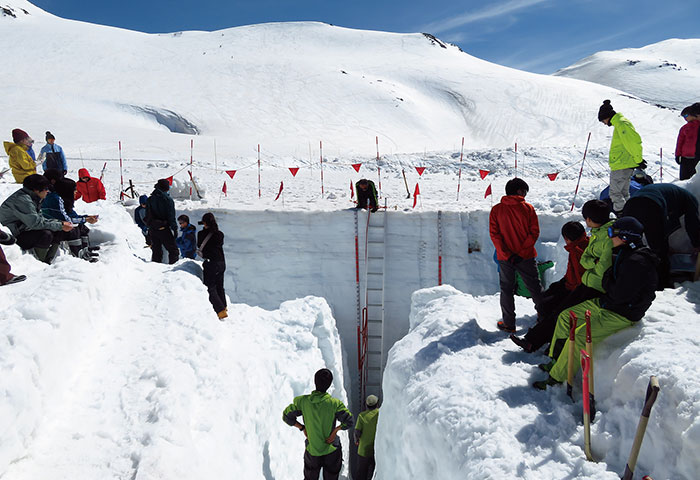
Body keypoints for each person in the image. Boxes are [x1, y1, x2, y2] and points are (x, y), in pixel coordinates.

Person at [534, 217, 658, 390]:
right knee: (564, 317)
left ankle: (557, 377)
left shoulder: (636, 262)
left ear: (625, 237)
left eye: (611, 233)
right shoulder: (624, 251)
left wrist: (606, 278)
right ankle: (556, 360)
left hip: (622, 313)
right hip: (609, 302)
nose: (609, 236)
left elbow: (619, 293)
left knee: (579, 337)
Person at [510, 221, 592, 353]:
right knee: (545, 300)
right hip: (569, 284)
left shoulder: (578, 251)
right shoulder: (581, 245)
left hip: (578, 291)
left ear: (567, 238)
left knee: (556, 312)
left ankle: (532, 342)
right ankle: (544, 328)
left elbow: (580, 280)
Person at [489, 178, 544, 333]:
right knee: (534, 287)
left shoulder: (496, 210)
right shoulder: (528, 208)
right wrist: (521, 253)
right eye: (525, 191)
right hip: (525, 256)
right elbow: (534, 233)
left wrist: (506, 254)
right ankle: (544, 316)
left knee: (506, 289)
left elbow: (495, 235)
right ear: (520, 191)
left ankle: (509, 324)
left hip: (505, 258)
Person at [622, 183, 700, 289]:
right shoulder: (691, 200)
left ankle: (625, 276)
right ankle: (661, 284)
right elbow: (692, 223)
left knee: (628, 243)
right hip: (651, 205)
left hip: (631, 204)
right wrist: (697, 243)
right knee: (659, 251)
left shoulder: (673, 194)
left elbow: (665, 224)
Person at [283, 368, 354, 480]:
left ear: (315, 381)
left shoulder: (302, 401)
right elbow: (349, 421)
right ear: (329, 384)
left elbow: (287, 416)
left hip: (313, 450)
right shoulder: (335, 404)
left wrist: (302, 428)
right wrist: (335, 431)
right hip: (331, 450)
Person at [0, 174, 73, 264]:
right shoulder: (22, 200)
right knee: (46, 234)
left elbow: (40, 219)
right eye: (46, 189)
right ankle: (40, 262)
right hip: (13, 236)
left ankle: (50, 259)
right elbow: (35, 223)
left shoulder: (32, 197)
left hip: (24, 228)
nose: (47, 192)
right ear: (36, 190)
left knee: (59, 230)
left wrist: (60, 223)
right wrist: (60, 225)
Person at [598, 99, 644, 214]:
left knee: (615, 193)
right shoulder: (620, 123)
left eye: (603, 120)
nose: (604, 123)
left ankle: (620, 215)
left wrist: (639, 159)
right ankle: (629, 213)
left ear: (606, 116)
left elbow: (632, 142)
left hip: (621, 164)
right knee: (624, 193)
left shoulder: (621, 124)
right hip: (625, 164)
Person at [42, 178, 100, 262]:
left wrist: (86, 217)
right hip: (52, 227)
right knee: (73, 229)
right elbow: (67, 220)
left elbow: (72, 216)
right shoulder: (56, 199)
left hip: (58, 225)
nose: (75, 192)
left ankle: (84, 250)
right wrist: (85, 219)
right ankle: (78, 254)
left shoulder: (63, 199)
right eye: (74, 190)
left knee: (82, 226)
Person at [197, 213, 227, 319]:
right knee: (220, 286)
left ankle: (220, 311)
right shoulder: (219, 234)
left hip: (211, 263)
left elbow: (199, 245)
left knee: (211, 287)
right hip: (222, 262)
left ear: (204, 222)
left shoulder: (201, 234)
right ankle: (224, 307)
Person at [146, 179, 178, 264]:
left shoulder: (150, 199)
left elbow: (147, 215)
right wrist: (174, 229)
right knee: (174, 251)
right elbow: (171, 216)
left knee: (156, 251)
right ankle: (174, 270)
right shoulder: (168, 200)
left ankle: (155, 270)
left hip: (153, 228)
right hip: (164, 228)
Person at [354, 394, 379, 480]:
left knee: (361, 473)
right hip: (376, 450)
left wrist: (357, 441)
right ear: (377, 404)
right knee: (372, 474)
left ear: (366, 405)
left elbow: (357, 433)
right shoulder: (379, 414)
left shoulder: (361, 416)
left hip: (363, 451)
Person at [675, 104, 700, 181]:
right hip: (685, 157)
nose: (685, 118)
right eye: (683, 117)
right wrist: (678, 155)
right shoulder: (685, 128)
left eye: (686, 115)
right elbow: (680, 143)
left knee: (694, 179)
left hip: (696, 158)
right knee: (684, 179)